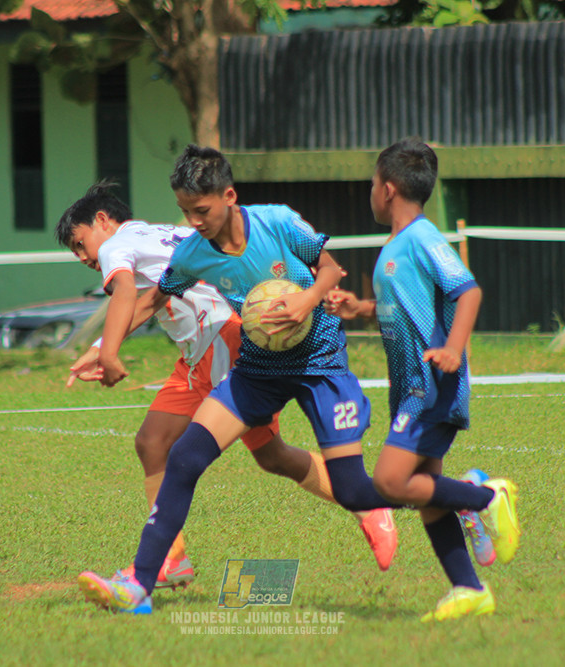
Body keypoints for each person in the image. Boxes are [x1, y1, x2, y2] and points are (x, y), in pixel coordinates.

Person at [76, 146, 405, 614]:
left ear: (229, 195)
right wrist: (102, 349)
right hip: (257, 369)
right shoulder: (193, 252)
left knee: (352, 488)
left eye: (202, 210)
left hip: (320, 361)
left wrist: (306, 300)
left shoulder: (277, 222)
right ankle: (140, 584)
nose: (194, 221)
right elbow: (150, 301)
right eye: (185, 212)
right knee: (185, 454)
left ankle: (472, 496)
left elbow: (330, 268)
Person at [324, 137, 520, 622]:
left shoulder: (423, 238)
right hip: (411, 384)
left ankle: (483, 497)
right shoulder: (397, 245)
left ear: (388, 189)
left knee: (392, 480)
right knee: (428, 493)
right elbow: (409, 306)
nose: (369, 192)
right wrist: (362, 308)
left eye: (372, 183)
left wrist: (454, 349)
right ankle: (468, 589)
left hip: (429, 384)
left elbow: (467, 291)